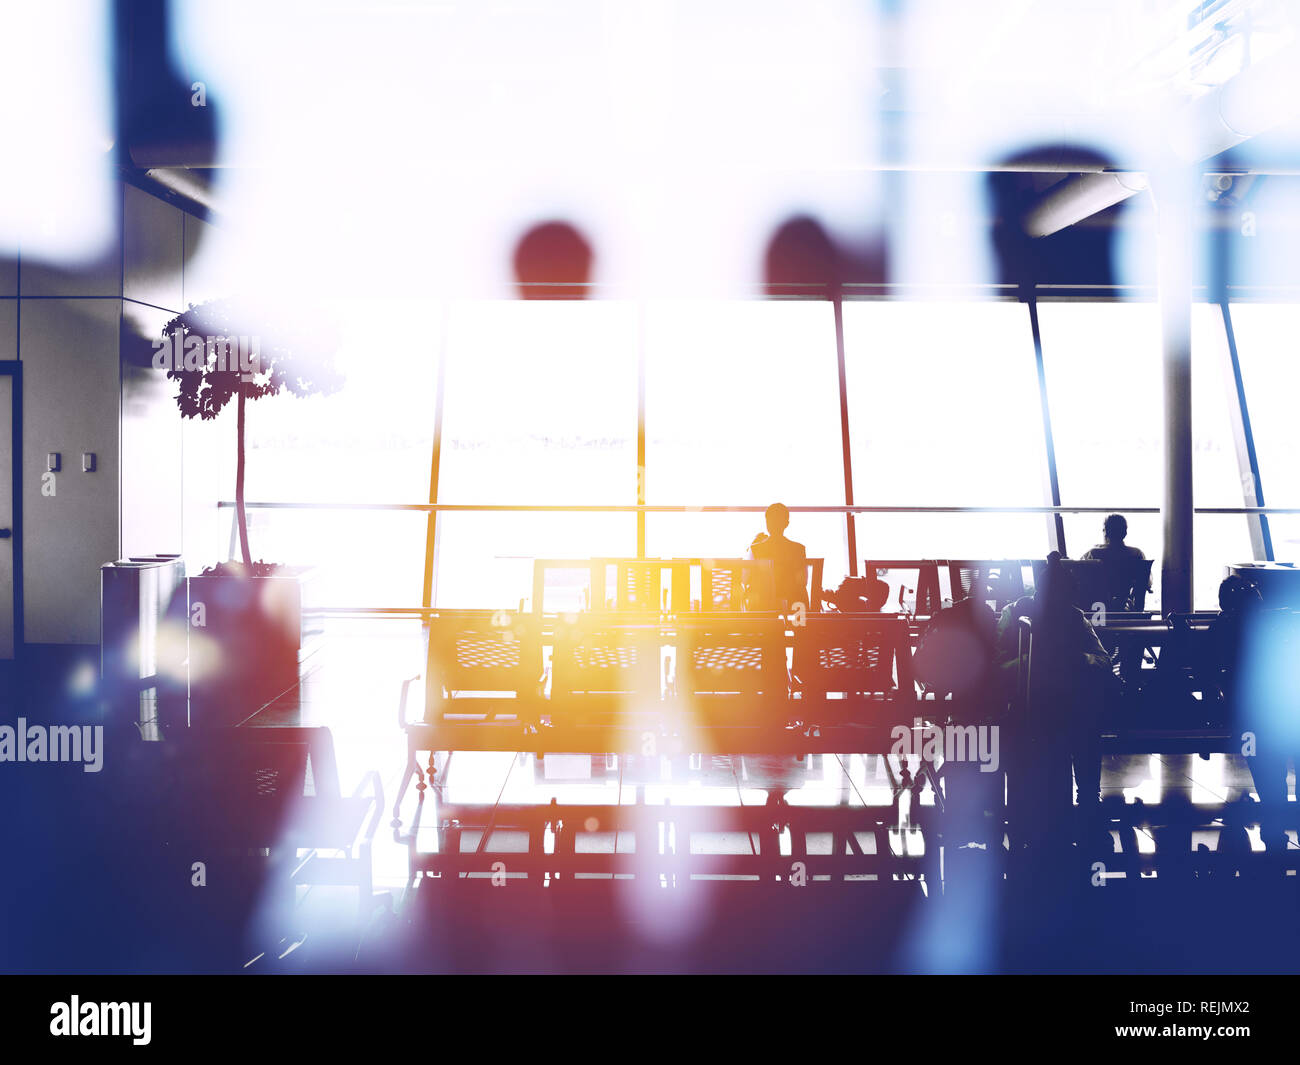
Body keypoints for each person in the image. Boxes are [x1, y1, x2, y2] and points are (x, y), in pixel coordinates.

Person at [1080, 513, 1152, 609]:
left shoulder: (1094, 554)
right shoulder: (1136, 554)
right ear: (1125, 532)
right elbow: (1146, 582)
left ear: (1106, 532)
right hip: (1127, 607)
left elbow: (1080, 577)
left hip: (1099, 609)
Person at [747, 503, 808, 612]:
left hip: (763, 608)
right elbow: (802, 581)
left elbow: (746, 579)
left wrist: (751, 546)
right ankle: (800, 626)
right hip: (793, 606)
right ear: (786, 524)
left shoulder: (756, 548)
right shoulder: (799, 549)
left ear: (766, 522)